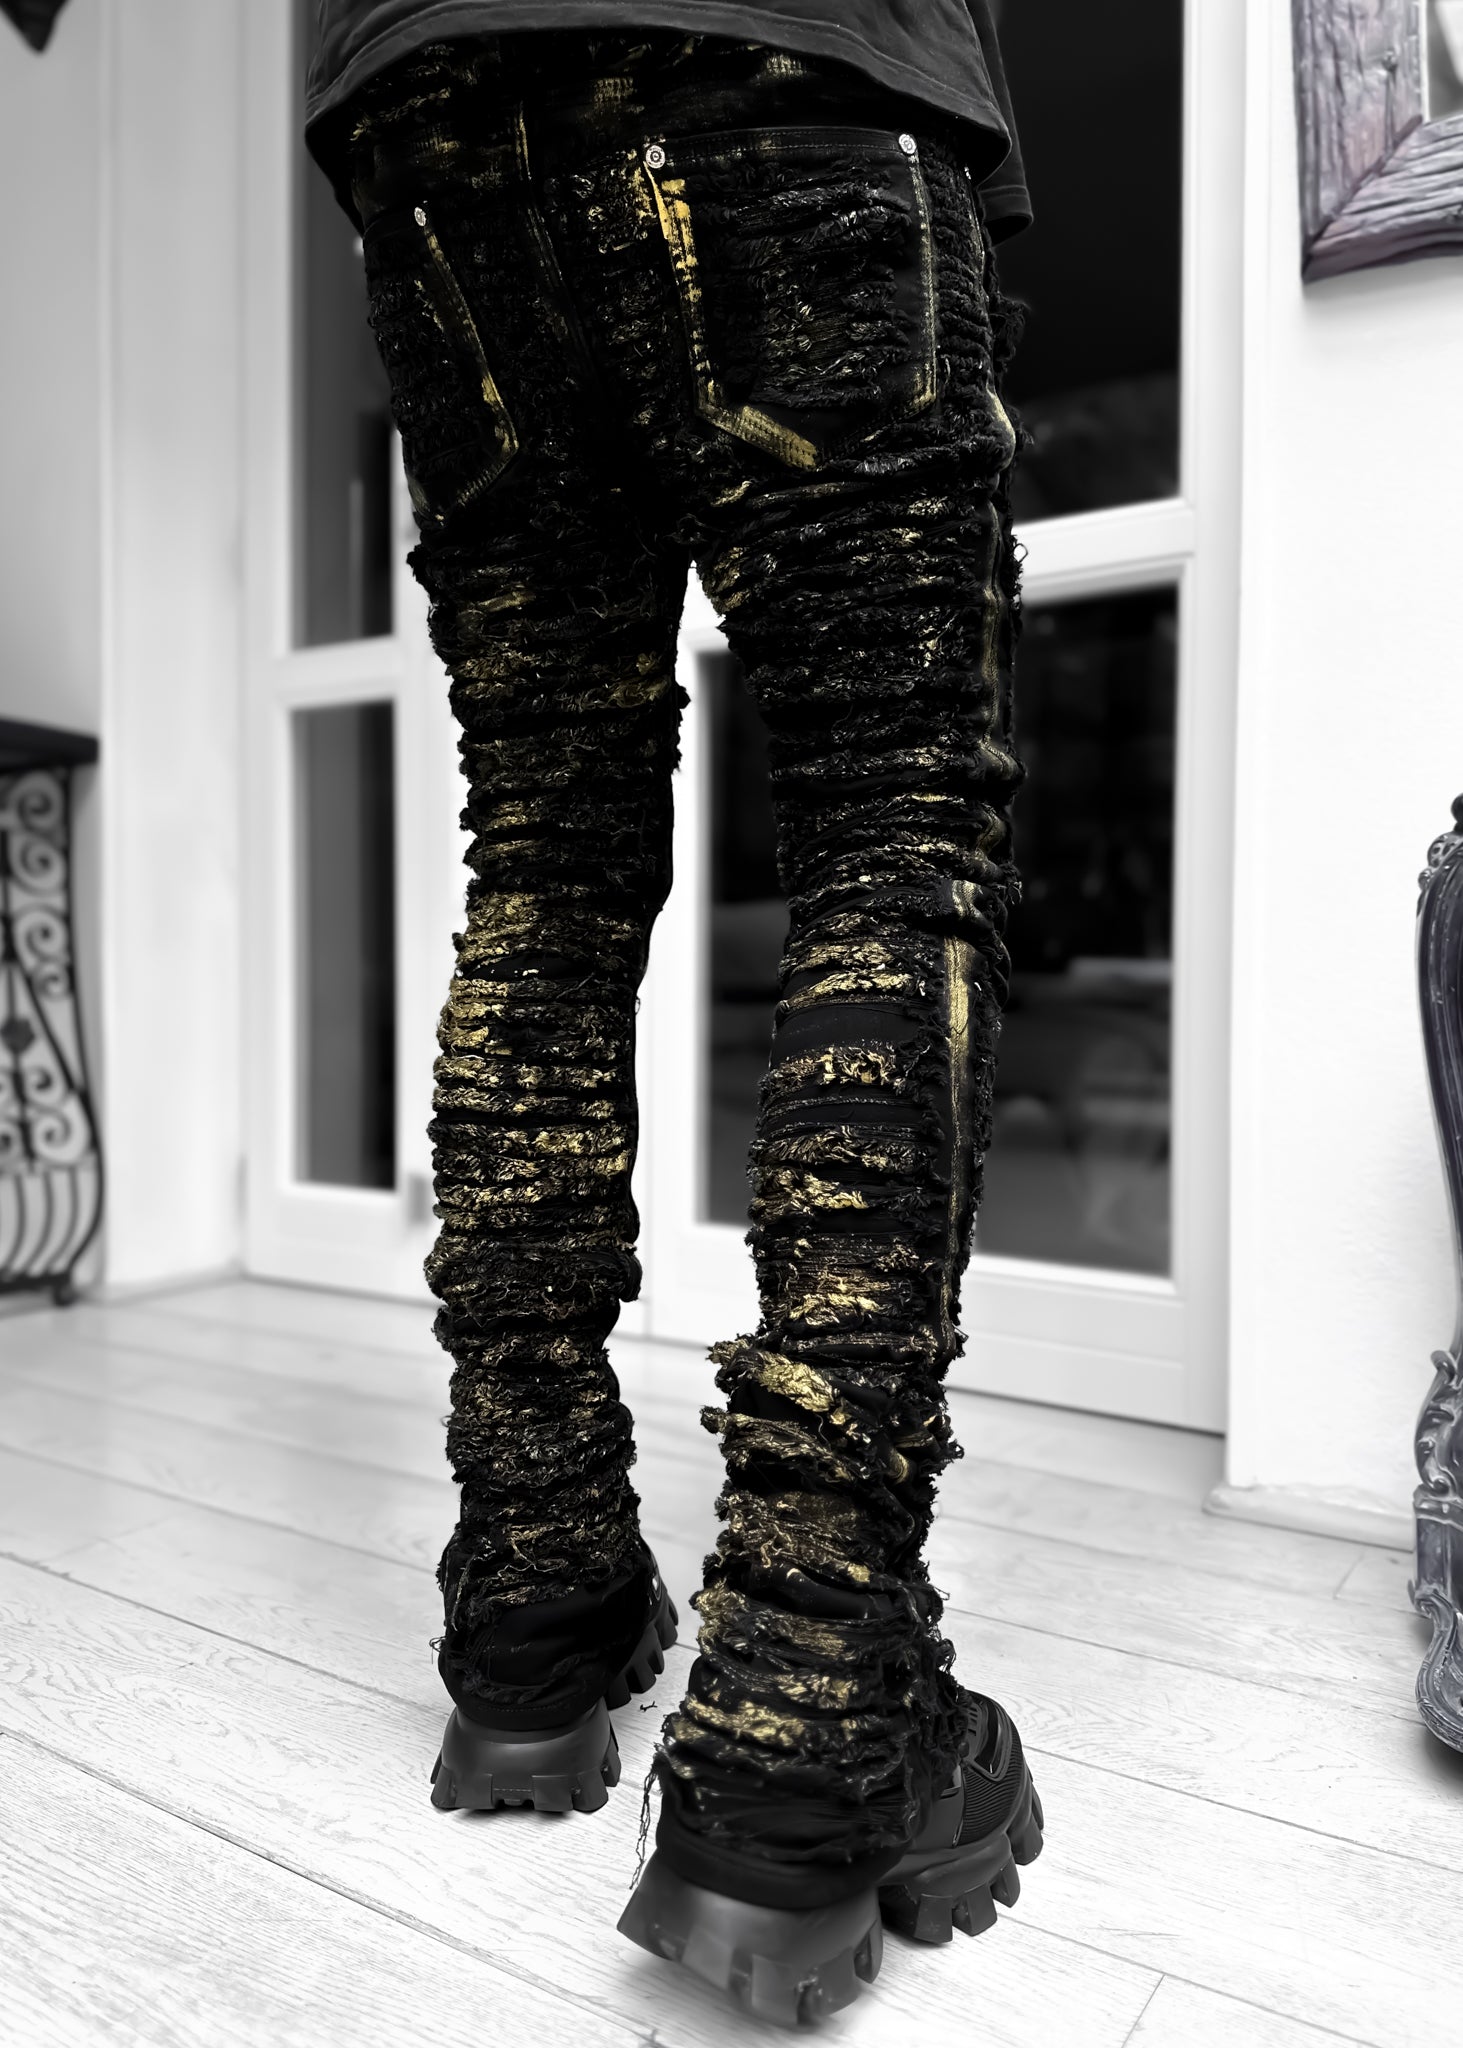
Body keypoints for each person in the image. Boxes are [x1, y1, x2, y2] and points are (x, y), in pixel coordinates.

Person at [305, 3, 1043, 2024]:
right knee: (893, 821)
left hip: (428, 114)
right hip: (792, 58)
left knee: (543, 855)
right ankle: (812, 1690)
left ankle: (534, 1590)